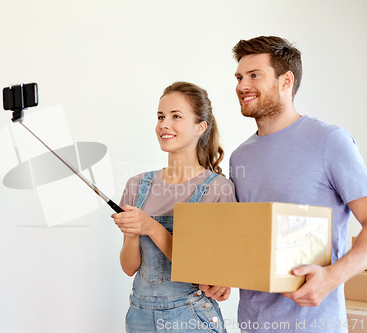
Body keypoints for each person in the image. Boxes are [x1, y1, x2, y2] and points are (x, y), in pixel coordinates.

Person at [224, 36, 367, 332]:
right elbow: (246, 239)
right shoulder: (240, 156)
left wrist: (330, 278)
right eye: (239, 77)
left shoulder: (330, 141)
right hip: (250, 325)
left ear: (285, 81)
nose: (241, 85)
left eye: (254, 75)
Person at [112, 81, 236, 333]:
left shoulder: (218, 189)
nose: (163, 125)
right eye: (160, 117)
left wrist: (152, 227)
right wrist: (133, 233)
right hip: (139, 317)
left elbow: (205, 275)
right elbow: (128, 267)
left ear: (200, 127)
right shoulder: (137, 185)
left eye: (176, 116)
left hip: (192, 317)